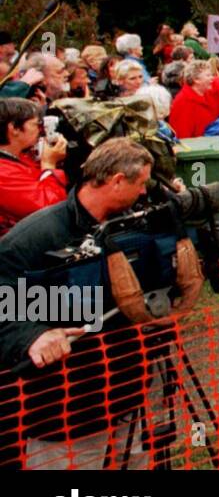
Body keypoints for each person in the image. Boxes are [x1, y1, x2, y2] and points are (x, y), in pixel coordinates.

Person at [0, 138, 153, 369]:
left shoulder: (132, 223)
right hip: (62, 381)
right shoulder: (32, 238)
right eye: (141, 183)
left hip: (124, 369)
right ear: (118, 181)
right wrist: (30, 336)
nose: (143, 191)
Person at [0, 98, 68, 238]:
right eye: (37, 124)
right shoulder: (3, 172)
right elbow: (49, 211)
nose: (41, 130)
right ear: (14, 128)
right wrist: (49, 164)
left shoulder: (19, 157)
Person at [170, 60, 219, 139]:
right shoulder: (183, 103)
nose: (212, 78)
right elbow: (182, 137)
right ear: (196, 79)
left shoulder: (209, 92)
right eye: (208, 75)